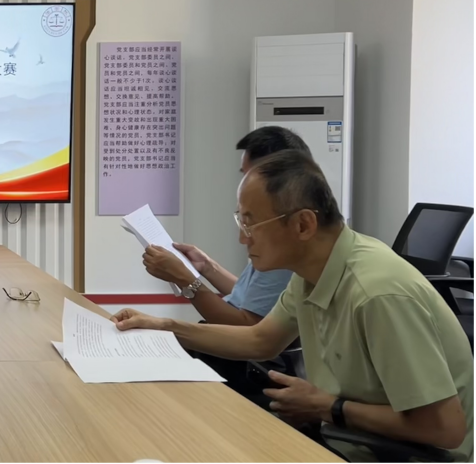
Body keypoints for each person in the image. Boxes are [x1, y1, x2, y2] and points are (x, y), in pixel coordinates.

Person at [114, 151, 473, 462]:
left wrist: (326, 407)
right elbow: (260, 340)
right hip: (350, 436)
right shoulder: (312, 271)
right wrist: (165, 327)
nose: (242, 238)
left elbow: (444, 430)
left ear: (303, 224)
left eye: (250, 224)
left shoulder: (378, 294)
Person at [140, 127, 309, 325]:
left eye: (249, 176)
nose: (244, 185)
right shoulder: (275, 226)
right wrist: (207, 267)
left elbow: (247, 327)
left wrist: (186, 280)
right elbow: (252, 300)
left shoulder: (284, 238)